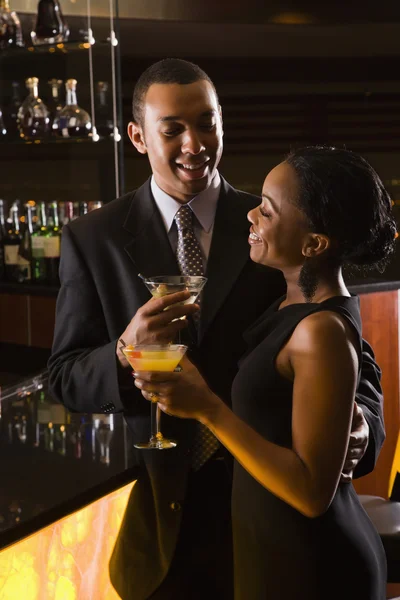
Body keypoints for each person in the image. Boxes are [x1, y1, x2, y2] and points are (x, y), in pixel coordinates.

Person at [47, 59, 385, 600]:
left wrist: (361, 421)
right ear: (138, 136)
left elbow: (346, 345)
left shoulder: (277, 226)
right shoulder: (94, 238)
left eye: (207, 122)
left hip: (275, 513)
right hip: (164, 528)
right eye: (172, 129)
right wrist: (124, 349)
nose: (194, 143)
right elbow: (64, 378)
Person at [133, 145, 396, 599]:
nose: (251, 216)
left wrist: (208, 409)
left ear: (314, 244)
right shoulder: (290, 300)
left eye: (268, 212)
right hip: (272, 550)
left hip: (314, 566)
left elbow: (313, 493)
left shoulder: (320, 331)